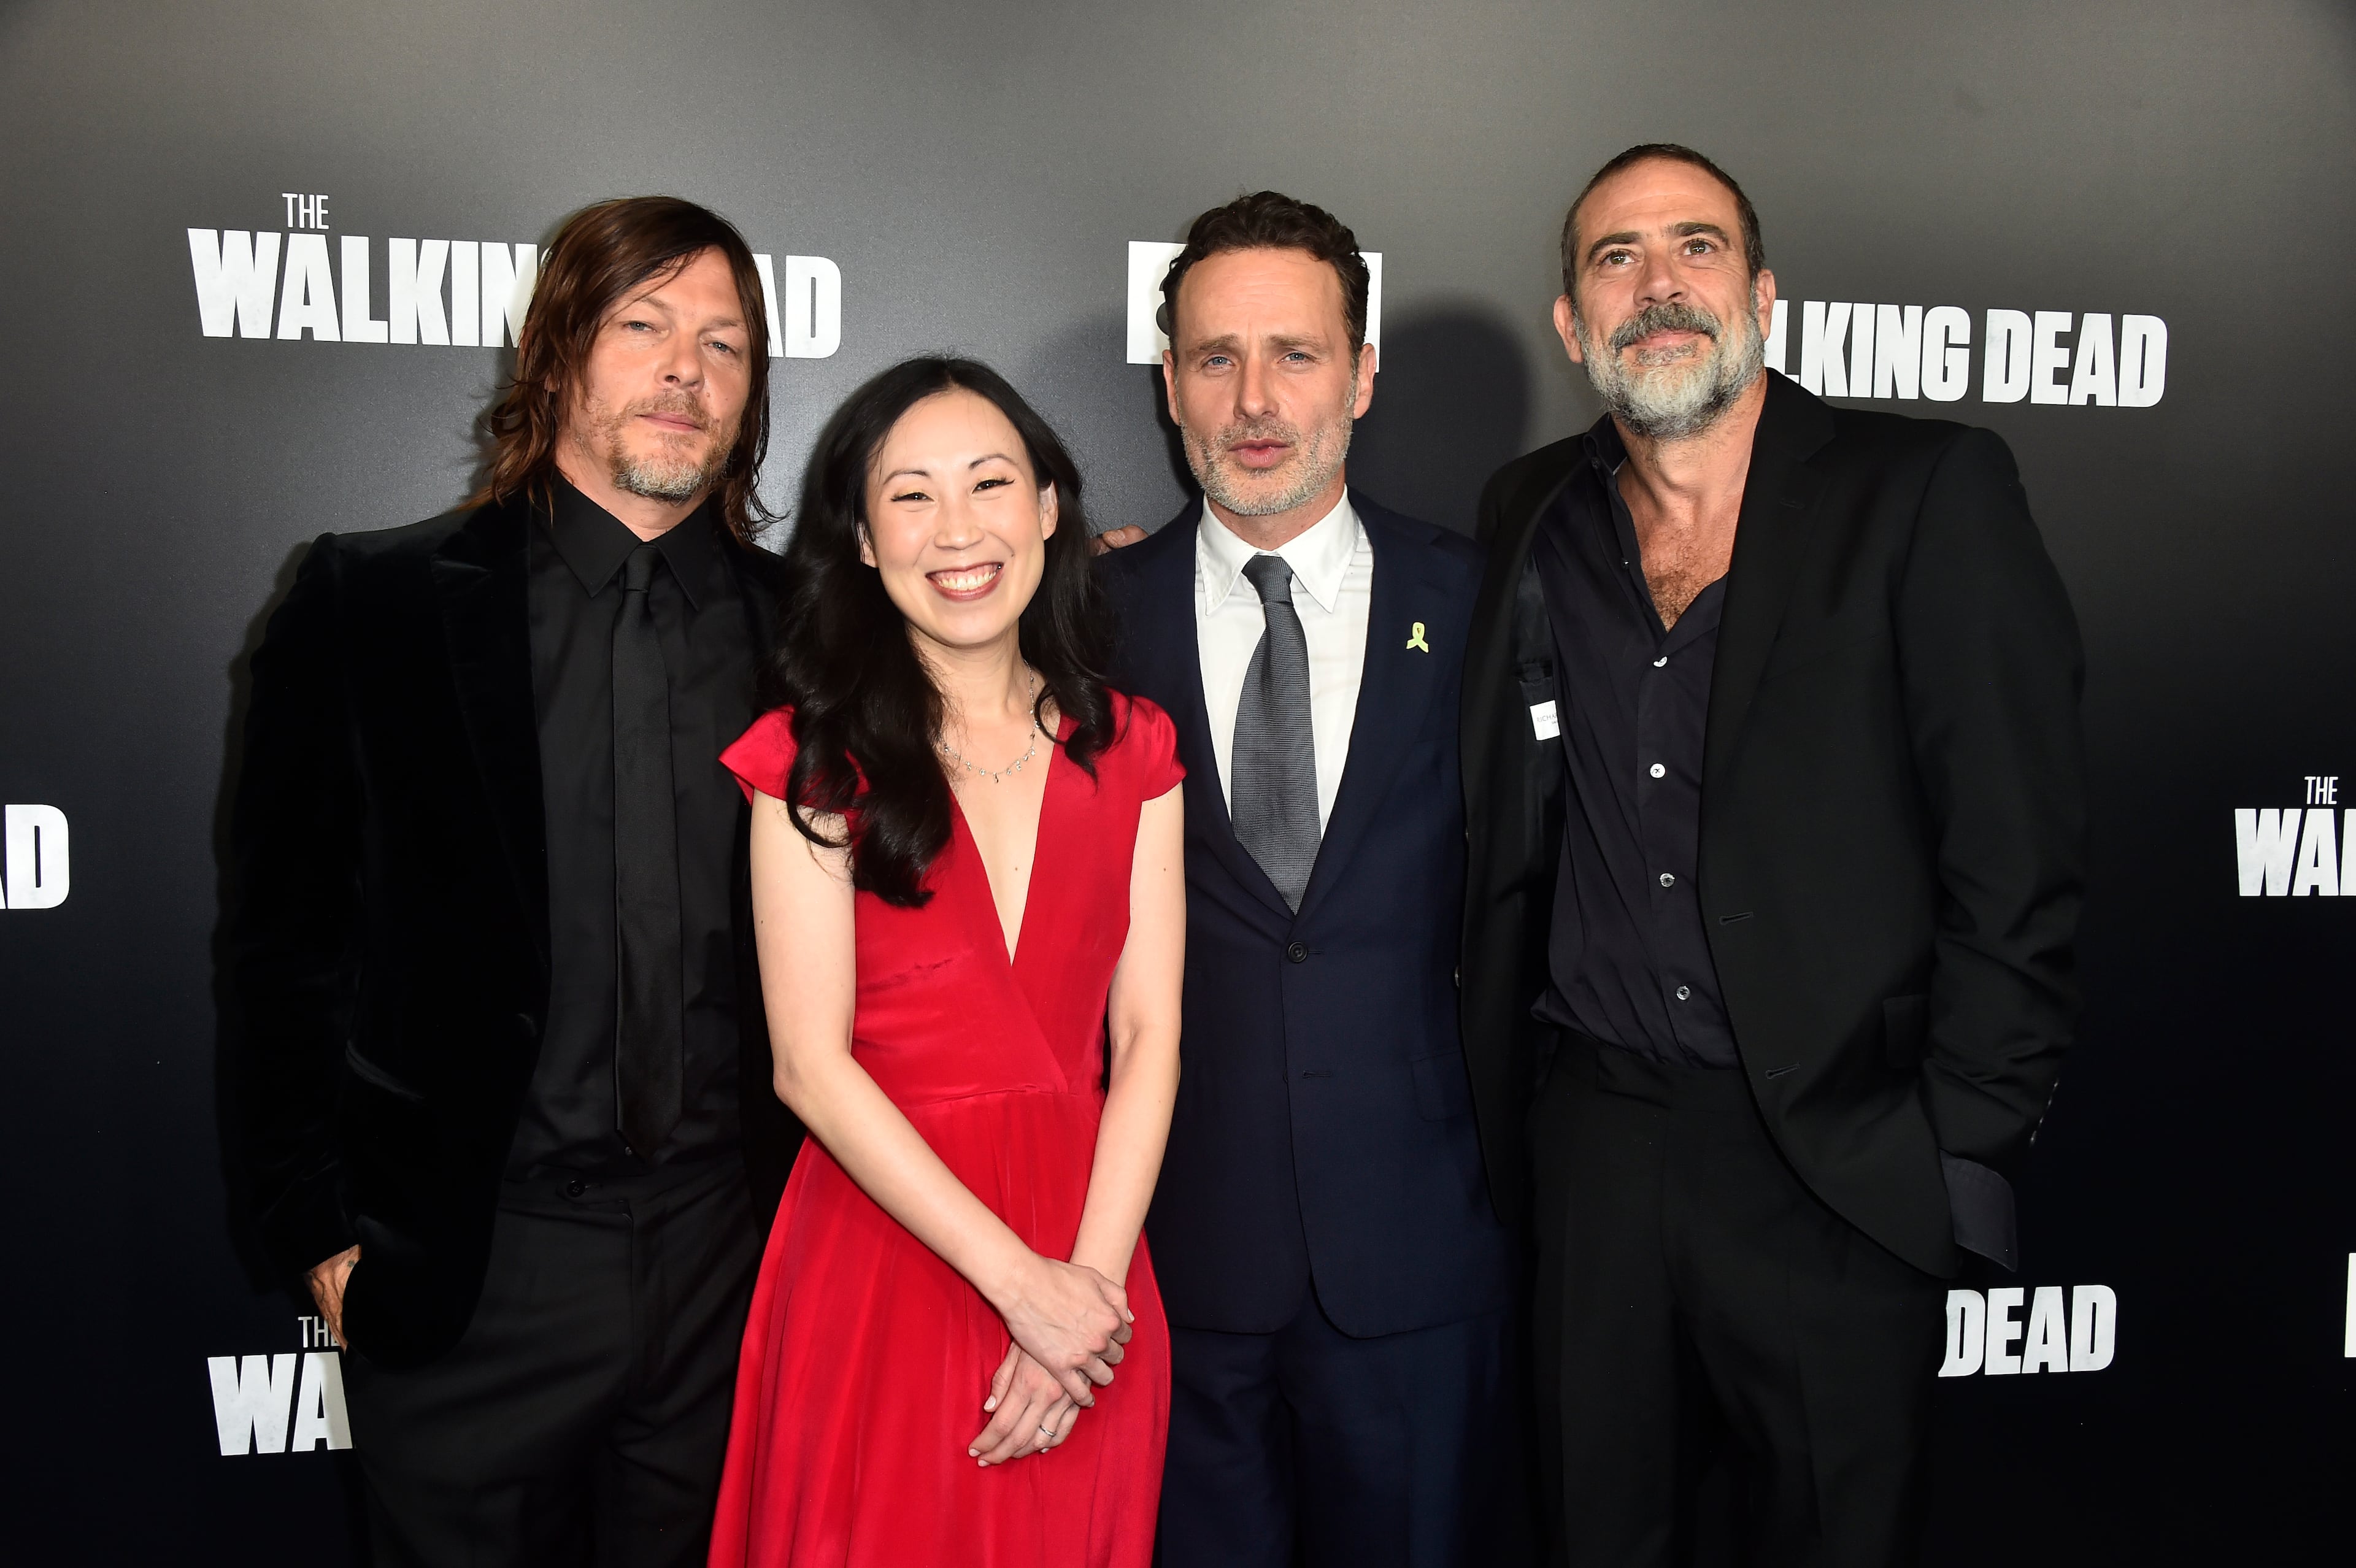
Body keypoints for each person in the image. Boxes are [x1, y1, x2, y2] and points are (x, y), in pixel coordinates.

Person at [1458, 144, 2088, 1564]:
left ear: (1764, 294)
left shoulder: (1926, 492)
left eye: (1695, 247)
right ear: (1573, 323)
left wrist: (1953, 1156)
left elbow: (2018, 855)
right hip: (1598, 1148)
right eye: (1617, 257)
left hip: (1837, 1162)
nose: (1658, 284)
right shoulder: (1528, 518)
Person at [225, 196, 803, 1566]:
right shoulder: (369, 604)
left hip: (740, 1266)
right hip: (479, 1269)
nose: (686, 370)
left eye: (725, 344)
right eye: (643, 326)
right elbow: (278, 947)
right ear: (552, 356)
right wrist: (318, 1231)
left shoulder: (822, 629)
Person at [1094, 192, 1526, 1567]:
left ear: (1364, 372)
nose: (1256, 398)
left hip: (1419, 1263)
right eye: (1215, 357)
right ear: (1168, 388)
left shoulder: (1487, 605)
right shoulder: (1083, 620)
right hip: (1165, 1268)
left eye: (1297, 352)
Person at [705, 357, 1184, 1567]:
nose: (958, 529)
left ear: (1048, 510)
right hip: (888, 1258)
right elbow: (811, 1068)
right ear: (862, 540)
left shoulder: (1135, 748)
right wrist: (1018, 1287)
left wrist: (1083, 1293)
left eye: (990, 483)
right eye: (910, 497)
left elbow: (1149, 1041)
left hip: (1096, 1269)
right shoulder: (809, 763)